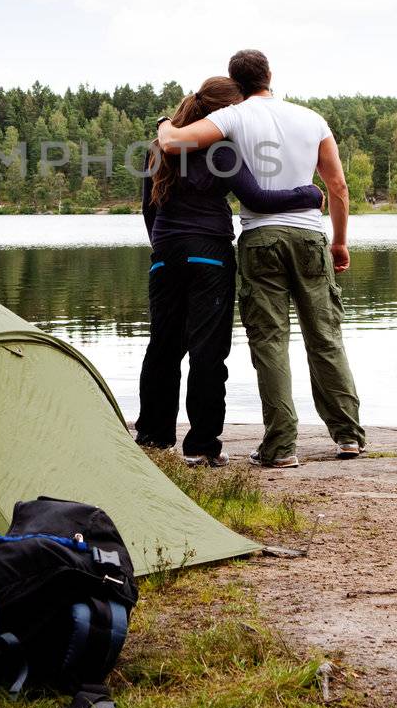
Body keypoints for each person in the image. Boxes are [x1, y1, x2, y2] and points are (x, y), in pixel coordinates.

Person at [157, 50, 365, 468]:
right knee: (324, 336)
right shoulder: (313, 119)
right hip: (310, 236)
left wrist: (164, 122)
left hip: (259, 239)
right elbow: (338, 185)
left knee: (270, 341)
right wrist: (339, 242)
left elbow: (172, 143)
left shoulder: (234, 117)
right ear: (270, 75)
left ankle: (281, 447)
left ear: (236, 83)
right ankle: (348, 437)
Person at [137, 75, 323, 469]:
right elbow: (256, 198)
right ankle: (202, 446)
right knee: (208, 352)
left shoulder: (156, 148)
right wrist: (307, 194)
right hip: (210, 256)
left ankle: (153, 439)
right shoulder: (222, 150)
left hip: (164, 255)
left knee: (163, 348)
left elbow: (149, 210)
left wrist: (165, 247)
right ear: (224, 113)